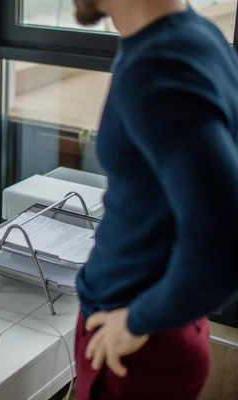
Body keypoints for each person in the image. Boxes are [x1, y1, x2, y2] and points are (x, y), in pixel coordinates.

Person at [71, 1, 238, 399]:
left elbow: (226, 237)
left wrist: (137, 322)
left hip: (139, 350)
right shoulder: (194, 34)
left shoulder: (157, 69)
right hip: (152, 326)